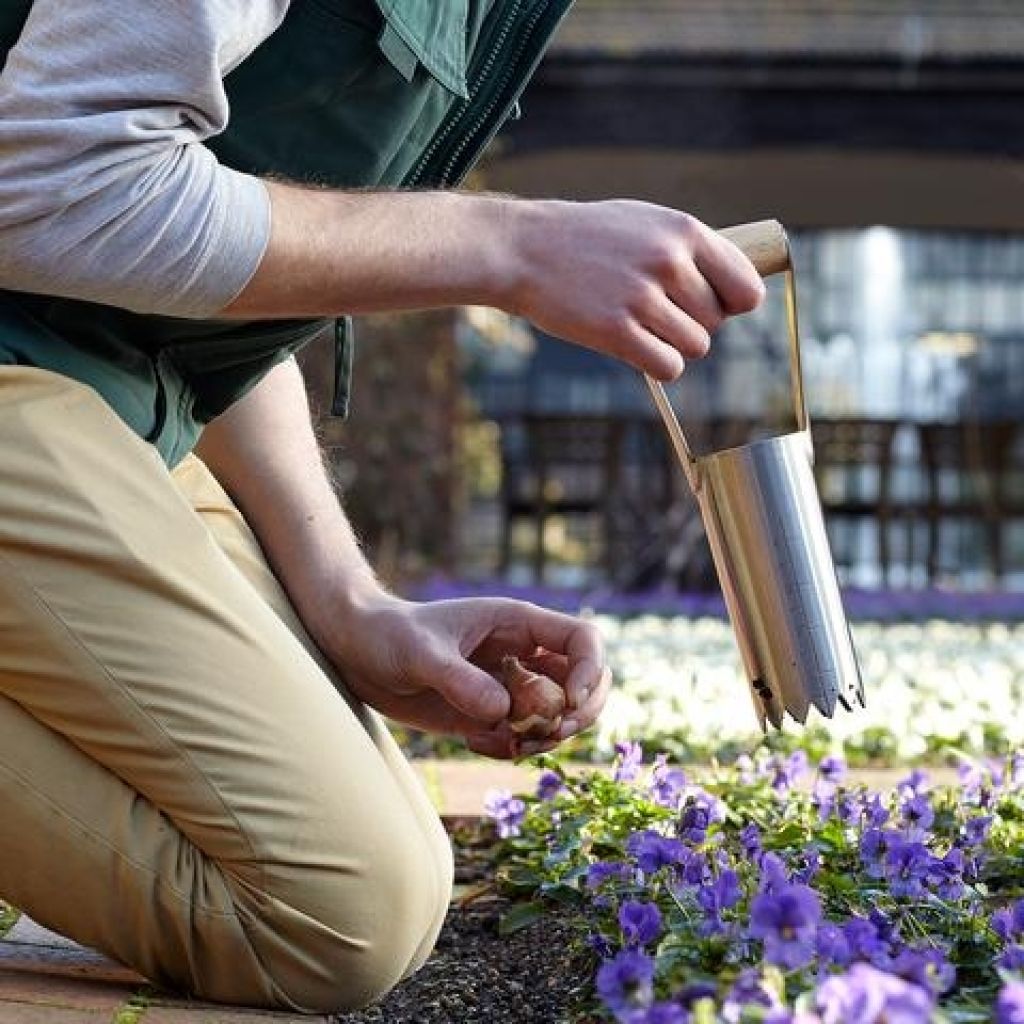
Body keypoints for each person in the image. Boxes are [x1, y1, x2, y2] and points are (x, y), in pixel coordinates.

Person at [0, 0, 765, 1013]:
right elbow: (56, 185)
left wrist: (347, 600)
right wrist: (509, 249)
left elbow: (181, 290)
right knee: (338, 912)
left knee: (386, 879)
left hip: (94, 400)